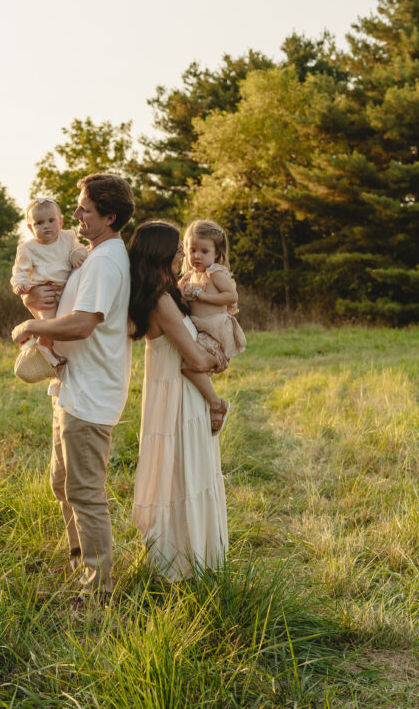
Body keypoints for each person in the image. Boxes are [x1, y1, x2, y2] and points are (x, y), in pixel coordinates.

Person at [12, 173, 134, 603]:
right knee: (62, 485)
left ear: (109, 216)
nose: (76, 214)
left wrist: (31, 325)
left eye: (84, 208)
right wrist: (35, 303)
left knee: (84, 491)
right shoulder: (93, 256)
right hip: (71, 387)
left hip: (91, 394)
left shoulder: (103, 261)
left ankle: (97, 592)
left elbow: (84, 324)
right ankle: (80, 565)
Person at [128, 221, 229, 582]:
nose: (181, 255)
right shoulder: (159, 301)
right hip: (175, 395)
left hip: (181, 391)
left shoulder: (168, 293)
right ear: (159, 254)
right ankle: (181, 564)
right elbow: (197, 360)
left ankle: (198, 558)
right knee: (181, 473)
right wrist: (216, 358)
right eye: (175, 250)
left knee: (188, 472)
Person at [10, 197, 88, 375]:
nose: (46, 226)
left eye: (51, 220)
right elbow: (20, 270)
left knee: (60, 326)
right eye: (39, 223)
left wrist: (75, 253)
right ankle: (47, 353)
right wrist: (20, 284)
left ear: (60, 221)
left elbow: (81, 249)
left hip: (65, 291)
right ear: (30, 228)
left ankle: (44, 352)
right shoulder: (28, 248)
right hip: (45, 292)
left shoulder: (67, 238)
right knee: (48, 326)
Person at [179, 219, 246, 382]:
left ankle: (214, 400)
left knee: (189, 365)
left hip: (214, 329)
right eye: (192, 250)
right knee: (189, 363)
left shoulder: (215, 274)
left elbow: (232, 296)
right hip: (199, 329)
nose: (197, 256)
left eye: (204, 251)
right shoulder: (190, 277)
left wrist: (205, 296)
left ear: (216, 253)